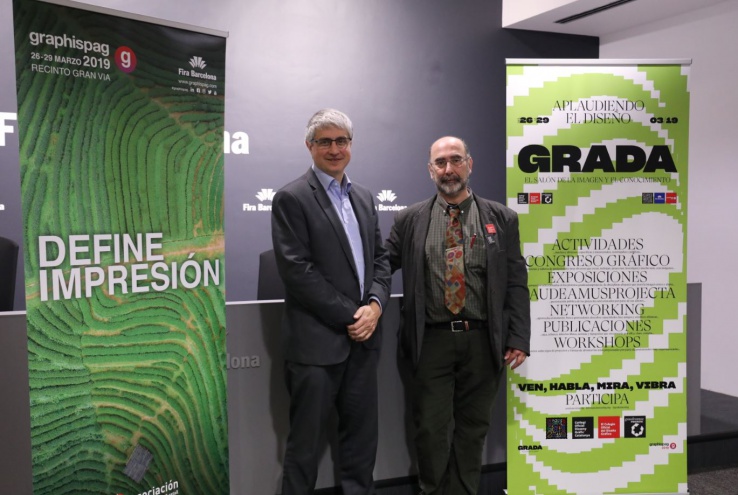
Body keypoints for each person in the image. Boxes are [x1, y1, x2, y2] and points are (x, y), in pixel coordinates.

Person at [386, 136, 530, 494]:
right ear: (430, 169)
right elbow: (379, 266)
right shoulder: (409, 219)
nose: (448, 169)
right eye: (440, 162)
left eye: (455, 160)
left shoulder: (501, 218)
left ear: (470, 164)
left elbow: (515, 282)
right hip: (430, 339)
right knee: (431, 430)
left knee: (473, 429)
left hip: (484, 341)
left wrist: (518, 337)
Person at [271, 108, 391, 495]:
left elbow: (381, 261)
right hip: (316, 347)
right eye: (325, 141)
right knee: (304, 450)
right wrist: (353, 316)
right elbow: (297, 272)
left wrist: (374, 306)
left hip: (363, 342)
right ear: (310, 146)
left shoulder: (365, 197)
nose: (334, 149)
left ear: (351, 146)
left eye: (342, 140)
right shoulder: (291, 198)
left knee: (360, 447)